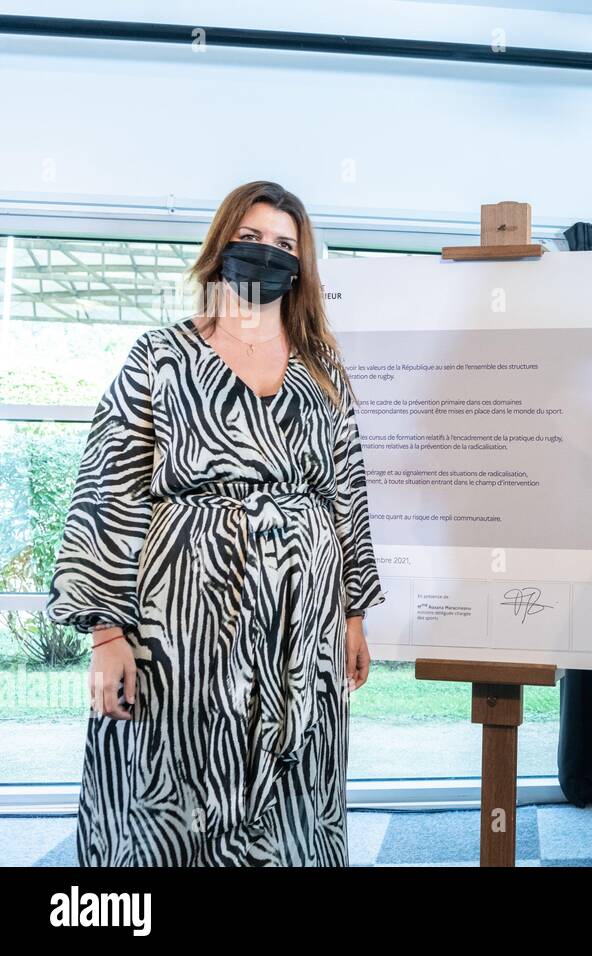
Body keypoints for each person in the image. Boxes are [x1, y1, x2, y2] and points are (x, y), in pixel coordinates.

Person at [45, 180, 385, 866]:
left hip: (302, 621)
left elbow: (347, 492)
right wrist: (106, 634)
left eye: (284, 246)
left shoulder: (322, 369)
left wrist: (353, 616)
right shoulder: (160, 357)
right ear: (222, 246)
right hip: (182, 621)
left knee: (296, 780)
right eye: (253, 239)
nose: (267, 255)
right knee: (172, 776)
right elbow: (109, 488)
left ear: (302, 264)